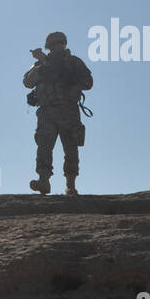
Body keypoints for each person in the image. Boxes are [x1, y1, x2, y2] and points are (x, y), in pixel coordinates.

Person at [23, 31, 94, 196]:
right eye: (55, 44)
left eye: (61, 43)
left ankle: (70, 185)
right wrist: (41, 65)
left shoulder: (74, 63)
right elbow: (27, 82)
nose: (58, 46)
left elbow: (88, 82)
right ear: (49, 46)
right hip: (47, 111)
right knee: (44, 146)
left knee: (71, 147)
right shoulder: (40, 64)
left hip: (68, 110)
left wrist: (75, 86)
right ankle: (43, 181)